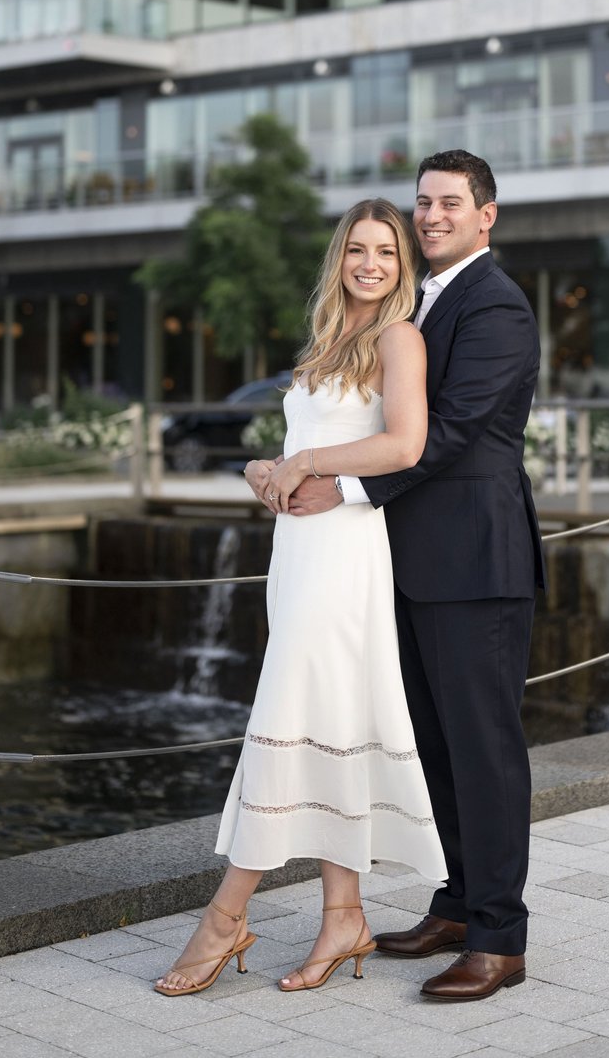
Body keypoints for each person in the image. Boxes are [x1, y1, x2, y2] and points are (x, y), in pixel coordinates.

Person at [154, 198, 447, 997]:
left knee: (285, 716)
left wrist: (309, 458)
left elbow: (404, 443)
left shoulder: (399, 336)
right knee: (330, 721)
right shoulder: (329, 339)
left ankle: (225, 916)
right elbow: (299, 450)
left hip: (347, 553)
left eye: (387, 251)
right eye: (358, 248)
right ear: (339, 257)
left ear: (403, 264)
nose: (371, 263)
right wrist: (266, 468)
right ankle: (344, 912)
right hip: (299, 551)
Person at [283, 150, 545, 1004]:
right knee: (439, 746)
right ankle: (460, 903)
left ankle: (500, 938)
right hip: (410, 563)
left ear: (487, 215)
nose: (430, 215)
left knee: (486, 751)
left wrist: (342, 484)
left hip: (476, 563)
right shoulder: (420, 301)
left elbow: (453, 430)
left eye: (449, 203)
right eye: (423, 202)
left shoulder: (495, 304)